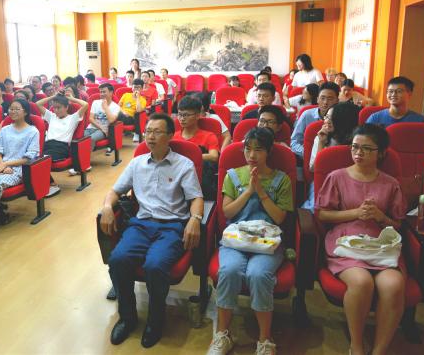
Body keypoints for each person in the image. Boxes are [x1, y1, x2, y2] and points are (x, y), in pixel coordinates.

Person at [100, 113, 204, 348]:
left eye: (157, 132)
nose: (150, 136)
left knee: (155, 266)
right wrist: (107, 207)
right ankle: (127, 318)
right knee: (118, 260)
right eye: (148, 131)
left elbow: (196, 198)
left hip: (172, 226)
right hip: (141, 224)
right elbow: (115, 191)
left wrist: (195, 219)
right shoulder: (137, 163)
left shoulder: (183, 164)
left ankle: (156, 321)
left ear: (170, 135)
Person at [316, 124, 407, 355]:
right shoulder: (337, 177)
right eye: (355, 147)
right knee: (361, 282)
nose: (358, 153)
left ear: (381, 153)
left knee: (394, 284)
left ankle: (379, 350)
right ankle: (356, 346)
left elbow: (397, 224)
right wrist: (356, 213)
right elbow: (322, 214)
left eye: (366, 149)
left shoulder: (390, 184)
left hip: (379, 245)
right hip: (347, 243)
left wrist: (380, 216)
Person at [207, 127, 293, 355]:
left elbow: (279, 218)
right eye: (248, 149)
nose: (252, 155)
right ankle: (222, 334)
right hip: (236, 238)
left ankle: (265, 339)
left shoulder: (281, 179)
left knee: (258, 274)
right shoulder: (234, 175)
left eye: (258, 149)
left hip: (268, 242)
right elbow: (227, 212)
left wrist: (261, 192)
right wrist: (248, 191)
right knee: (229, 271)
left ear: (269, 151)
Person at [0, 99, 40, 216]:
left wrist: (6, 164)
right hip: (1, 166)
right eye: (11, 109)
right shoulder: (5, 129)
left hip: (20, 169)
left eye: (17, 109)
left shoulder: (33, 131)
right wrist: (2, 165)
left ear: (25, 112)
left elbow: (28, 158)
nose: (13, 111)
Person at [37, 90, 88, 196]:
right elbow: (38, 104)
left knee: (41, 160)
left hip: (61, 147)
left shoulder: (73, 118)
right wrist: (54, 96)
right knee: (32, 159)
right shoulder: (52, 116)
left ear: (66, 107)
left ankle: (52, 185)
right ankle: (50, 183)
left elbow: (86, 105)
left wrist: (71, 99)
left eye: (59, 107)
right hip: (47, 145)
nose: (56, 110)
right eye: (54, 107)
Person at [174, 96, 220, 200]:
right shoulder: (173, 137)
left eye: (186, 115)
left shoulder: (209, 136)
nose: (182, 118)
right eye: (180, 114)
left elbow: (214, 156)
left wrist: (188, 158)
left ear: (197, 115)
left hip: (200, 183)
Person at [290, 82, 340, 158]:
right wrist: (309, 154)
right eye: (322, 98)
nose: (325, 102)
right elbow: (294, 142)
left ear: (337, 100)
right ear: (317, 99)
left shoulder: (341, 118)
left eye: (330, 99)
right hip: (307, 157)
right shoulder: (307, 115)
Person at [309, 102, 360, 171]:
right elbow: (313, 169)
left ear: (346, 121)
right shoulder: (321, 137)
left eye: (333, 118)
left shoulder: (358, 140)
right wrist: (321, 143)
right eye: (327, 117)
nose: (327, 121)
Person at [83, 83, 120, 150]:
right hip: (91, 128)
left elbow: (111, 120)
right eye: (101, 92)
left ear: (111, 92)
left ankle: (86, 156)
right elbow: (90, 118)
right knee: (80, 138)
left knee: (91, 139)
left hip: (103, 132)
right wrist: (101, 127)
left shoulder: (116, 107)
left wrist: (105, 107)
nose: (102, 94)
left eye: (104, 92)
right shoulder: (95, 102)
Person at [117, 78, 147, 143]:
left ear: (142, 89)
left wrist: (137, 98)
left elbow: (138, 110)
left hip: (131, 119)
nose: (136, 89)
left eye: (138, 87)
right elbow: (118, 106)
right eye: (135, 87)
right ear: (132, 88)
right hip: (121, 115)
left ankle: (137, 134)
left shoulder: (142, 99)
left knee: (137, 114)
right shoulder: (126, 95)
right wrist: (123, 112)